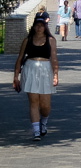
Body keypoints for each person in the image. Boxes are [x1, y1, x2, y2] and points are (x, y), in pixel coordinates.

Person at [14, 12, 59, 141]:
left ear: (45, 27)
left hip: (45, 70)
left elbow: (54, 58)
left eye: (41, 25)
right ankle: (36, 131)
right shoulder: (27, 40)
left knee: (45, 105)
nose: (39, 28)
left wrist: (55, 74)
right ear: (33, 27)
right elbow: (20, 57)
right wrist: (15, 76)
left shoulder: (51, 40)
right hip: (30, 69)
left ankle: (43, 122)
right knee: (33, 101)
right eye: (37, 25)